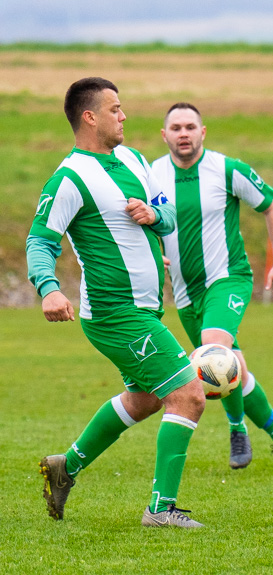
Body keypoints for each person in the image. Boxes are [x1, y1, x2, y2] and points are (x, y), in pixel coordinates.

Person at [27, 77, 206, 528]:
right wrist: (49, 288)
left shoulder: (132, 158)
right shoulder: (70, 178)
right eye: (115, 110)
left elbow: (165, 213)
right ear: (90, 117)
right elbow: (39, 241)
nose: (124, 116)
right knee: (188, 395)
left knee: (145, 398)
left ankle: (65, 466)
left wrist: (154, 214)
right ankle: (160, 510)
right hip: (114, 314)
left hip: (145, 309)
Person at [151, 103, 273, 472]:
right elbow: (146, 222)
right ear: (164, 134)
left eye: (190, 126)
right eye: (176, 127)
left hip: (228, 278)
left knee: (215, 354)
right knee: (233, 366)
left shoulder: (227, 169)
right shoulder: (151, 175)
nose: (183, 133)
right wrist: (155, 255)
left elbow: (272, 208)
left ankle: (237, 430)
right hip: (185, 291)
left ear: (203, 132)